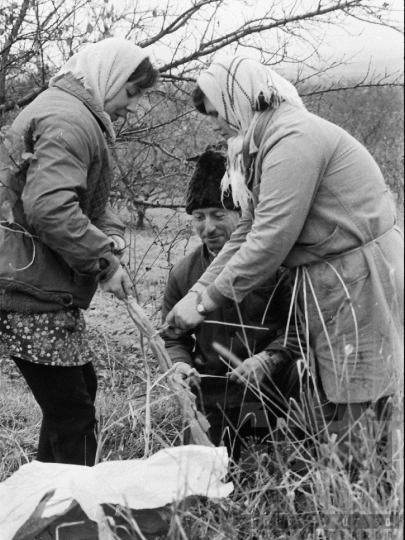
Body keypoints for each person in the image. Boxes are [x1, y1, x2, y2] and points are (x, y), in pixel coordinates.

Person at [165, 56, 404, 474]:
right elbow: (247, 229)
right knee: (340, 389)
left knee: (359, 393)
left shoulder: (291, 140)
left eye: (217, 113)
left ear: (235, 99)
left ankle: (366, 494)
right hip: (335, 278)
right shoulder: (266, 140)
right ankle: (353, 484)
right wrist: (194, 294)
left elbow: (270, 240)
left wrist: (203, 305)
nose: (218, 126)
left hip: (360, 277)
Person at [0, 38, 159, 466]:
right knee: (73, 412)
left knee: (75, 397)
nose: (133, 106)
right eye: (131, 92)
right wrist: (103, 263)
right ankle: (73, 523)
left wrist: (108, 235)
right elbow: (50, 208)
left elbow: (78, 197)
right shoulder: (69, 119)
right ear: (108, 75)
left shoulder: (70, 112)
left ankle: (47, 510)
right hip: (31, 285)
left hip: (35, 278)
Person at [162, 148, 305, 463]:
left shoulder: (279, 267)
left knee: (275, 468)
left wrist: (269, 359)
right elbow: (173, 336)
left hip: (273, 396)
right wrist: (179, 364)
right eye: (199, 217)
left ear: (242, 216)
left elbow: (304, 327)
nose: (207, 228)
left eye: (218, 214)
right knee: (211, 477)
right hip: (213, 400)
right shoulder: (184, 273)